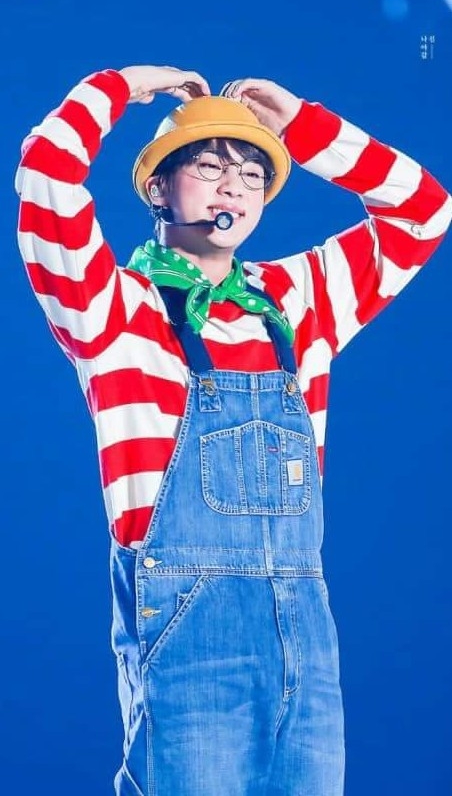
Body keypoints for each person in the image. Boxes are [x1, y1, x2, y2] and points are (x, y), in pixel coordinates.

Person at [15, 64, 452, 796]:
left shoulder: (299, 299)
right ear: (159, 188)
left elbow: (424, 212)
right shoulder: (113, 307)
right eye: (210, 167)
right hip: (188, 630)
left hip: (306, 636)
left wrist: (302, 125)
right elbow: (46, 176)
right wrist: (124, 85)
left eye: (252, 174)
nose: (234, 187)